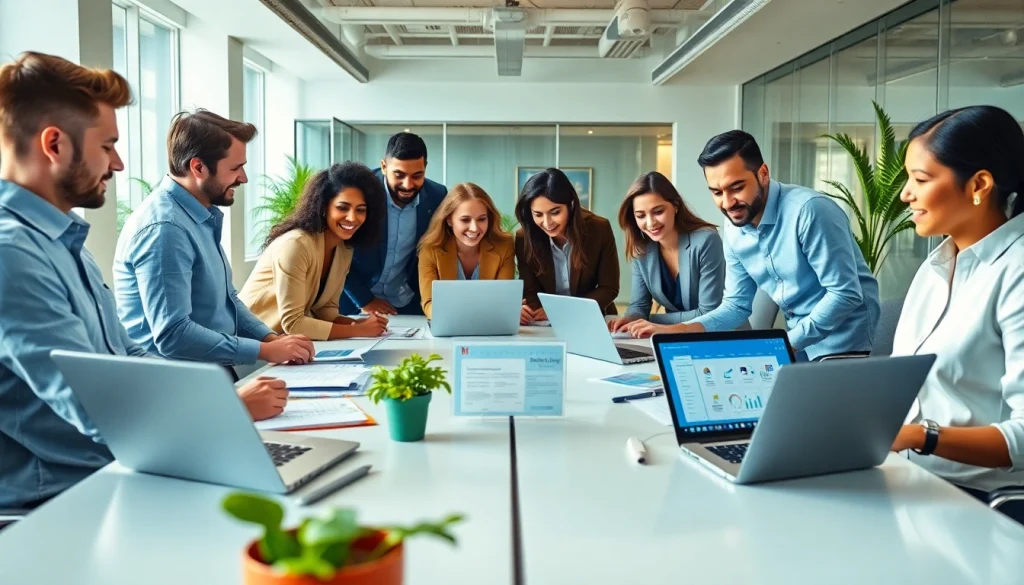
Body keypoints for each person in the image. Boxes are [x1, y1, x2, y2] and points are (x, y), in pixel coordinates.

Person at [0, 52, 288, 510]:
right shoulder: (12, 254)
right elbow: (97, 407)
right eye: (107, 145)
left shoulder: (62, 239)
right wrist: (226, 410)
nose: (117, 164)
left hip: (131, 463)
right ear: (54, 145)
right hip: (65, 499)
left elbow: (127, 356)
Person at [630, 131, 880, 362]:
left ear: (763, 173)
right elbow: (736, 306)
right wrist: (677, 331)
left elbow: (844, 294)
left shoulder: (809, 211)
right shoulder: (734, 229)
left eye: (736, 188)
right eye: (717, 192)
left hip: (848, 346)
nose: (727, 203)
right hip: (800, 344)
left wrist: (783, 345)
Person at [887, 105, 1024, 522]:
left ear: (980, 184)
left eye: (920, 179)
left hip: (983, 506)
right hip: (910, 483)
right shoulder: (936, 267)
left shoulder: (1016, 273)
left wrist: (920, 437)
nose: (905, 194)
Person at [114, 110, 315, 372]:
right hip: (178, 385)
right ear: (198, 167)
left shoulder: (197, 216)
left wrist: (272, 339)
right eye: (235, 168)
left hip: (208, 373)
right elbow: (173, 334)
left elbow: (227, 298)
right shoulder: (166, 229)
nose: (243, 178)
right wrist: (264, 351)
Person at [240, 162, 390, 340]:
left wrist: (362, 324)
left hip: (284, 346)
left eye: (360, 210)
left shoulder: (343, 249)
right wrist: (359, 330)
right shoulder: (295, 244)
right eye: (342, 207)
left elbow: (326, 311)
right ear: (324, 207)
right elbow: (294, 323)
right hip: (248, 345)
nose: (352, 218)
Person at [340, 132, 448, 317]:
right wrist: (365, 300)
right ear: (384, 166)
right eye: (399, 174)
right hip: (353, 301)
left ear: (425, 168)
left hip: (406, 303)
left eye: (417, 175)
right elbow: (337, 250)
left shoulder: (437, 196)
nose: (408, 184)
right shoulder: (359, 190)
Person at [608, 171, 725, 333]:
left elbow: (708, 313)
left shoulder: (706, 240)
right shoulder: (641, 249)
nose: (650, 223)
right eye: (641, 216)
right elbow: (639, 305)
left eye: (658, 212)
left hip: (718, 336)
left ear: (675, 206)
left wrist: (650, 321)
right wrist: (628, 320)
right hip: (675, 337)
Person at [515, 168, 620, 325]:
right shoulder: (524, 237)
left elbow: (608, 287)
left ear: (571, 204)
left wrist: (560, 310)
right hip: (545, 322)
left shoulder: (599, 228)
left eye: (555, 212)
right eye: (538, 214)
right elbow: (530, 290)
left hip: (590, 317)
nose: (547, 222)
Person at [417, 183, 516, 319]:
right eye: (465, 220)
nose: (474, 228)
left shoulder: (504, 246)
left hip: (490, 329)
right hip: (449, 326)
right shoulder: (430, 249)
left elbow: (504, 300)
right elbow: (429, 302)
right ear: (449, 220)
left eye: (481, 219)